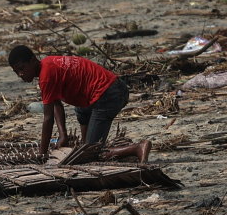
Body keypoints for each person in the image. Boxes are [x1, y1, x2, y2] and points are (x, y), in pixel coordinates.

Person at [8, 45, 151, 163]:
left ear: (33, 60)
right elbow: (56, 103)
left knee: (92, 154)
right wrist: (63, 135)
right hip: (104, 91)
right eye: (16, 72)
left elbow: (48, 118)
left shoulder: (46, 76)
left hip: (109, 94)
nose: (20, 74)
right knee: (81, 111)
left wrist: (42, 154)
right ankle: (87, 144)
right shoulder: (48, 63)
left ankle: (137, 148)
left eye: (22, 68)